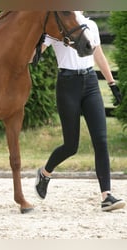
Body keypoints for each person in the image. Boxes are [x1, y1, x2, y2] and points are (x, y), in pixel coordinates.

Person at [35, 12, 125, 212]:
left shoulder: (90, 25)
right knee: (71, 145)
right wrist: (36, 43)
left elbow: (98, 54)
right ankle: (45, 173)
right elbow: (36, 53)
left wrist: (111, 83)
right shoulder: (57, 27)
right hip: (67, 85)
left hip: (90, 82)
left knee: (101, 140)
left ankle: (106, 196)